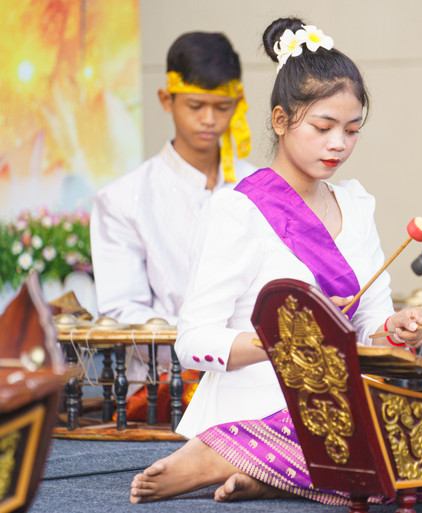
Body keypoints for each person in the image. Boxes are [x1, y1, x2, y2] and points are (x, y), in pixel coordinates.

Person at [128, 17, 422, 505]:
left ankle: (262, 470)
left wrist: (396, 328)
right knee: (390, 457)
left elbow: (371, 323)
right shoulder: (237, 210)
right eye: (323, 127)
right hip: (260, 405)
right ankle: (228, 451)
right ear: (279, 121)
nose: (339, 143)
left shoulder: (356, 205)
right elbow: (192, 342)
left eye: (352, 130)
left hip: (340, 401)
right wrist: (285, 344)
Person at [90, 32, 254, 387]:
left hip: (253, 380)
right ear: (167, 99)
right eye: (196, 106)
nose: (209, 119)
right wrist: (211, 348)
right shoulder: (122, 198)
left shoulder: (262, 187)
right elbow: (122, 312)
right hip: (161, 388)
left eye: (222, 107)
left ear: (238, 103)